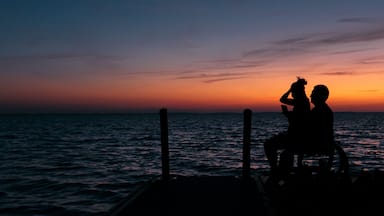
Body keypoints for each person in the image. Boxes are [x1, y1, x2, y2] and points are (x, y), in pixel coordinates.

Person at [263, 77, 310, 174]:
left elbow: (296, 121)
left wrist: (286, 113)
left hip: (295, 137)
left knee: (268, 144)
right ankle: (277, 170)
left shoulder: (300, 102)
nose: (292, 94)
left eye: (293, 91)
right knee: (274, 143)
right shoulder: (303, 101)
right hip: (297, 136)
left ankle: (275, 170)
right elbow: (283, 100)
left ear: (296, 91)